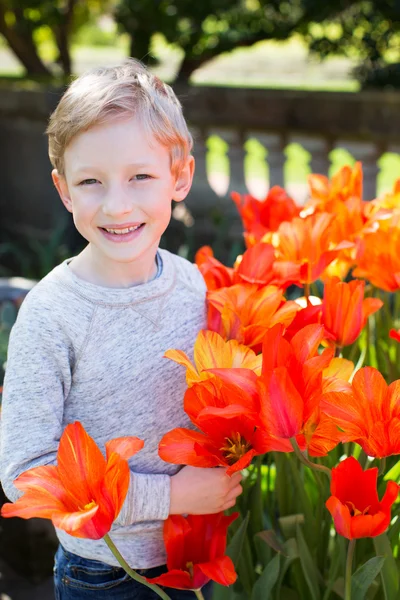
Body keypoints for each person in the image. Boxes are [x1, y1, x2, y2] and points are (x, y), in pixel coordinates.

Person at [0, 59, 243, 600]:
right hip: (103, 574)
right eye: (91, 181)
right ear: (64, 190)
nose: (117, 204)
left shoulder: (195, 286)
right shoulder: (50, 315)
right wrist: (171, 496)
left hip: (201, 555)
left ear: (179, 175)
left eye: (140, 176)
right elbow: (25, 474)